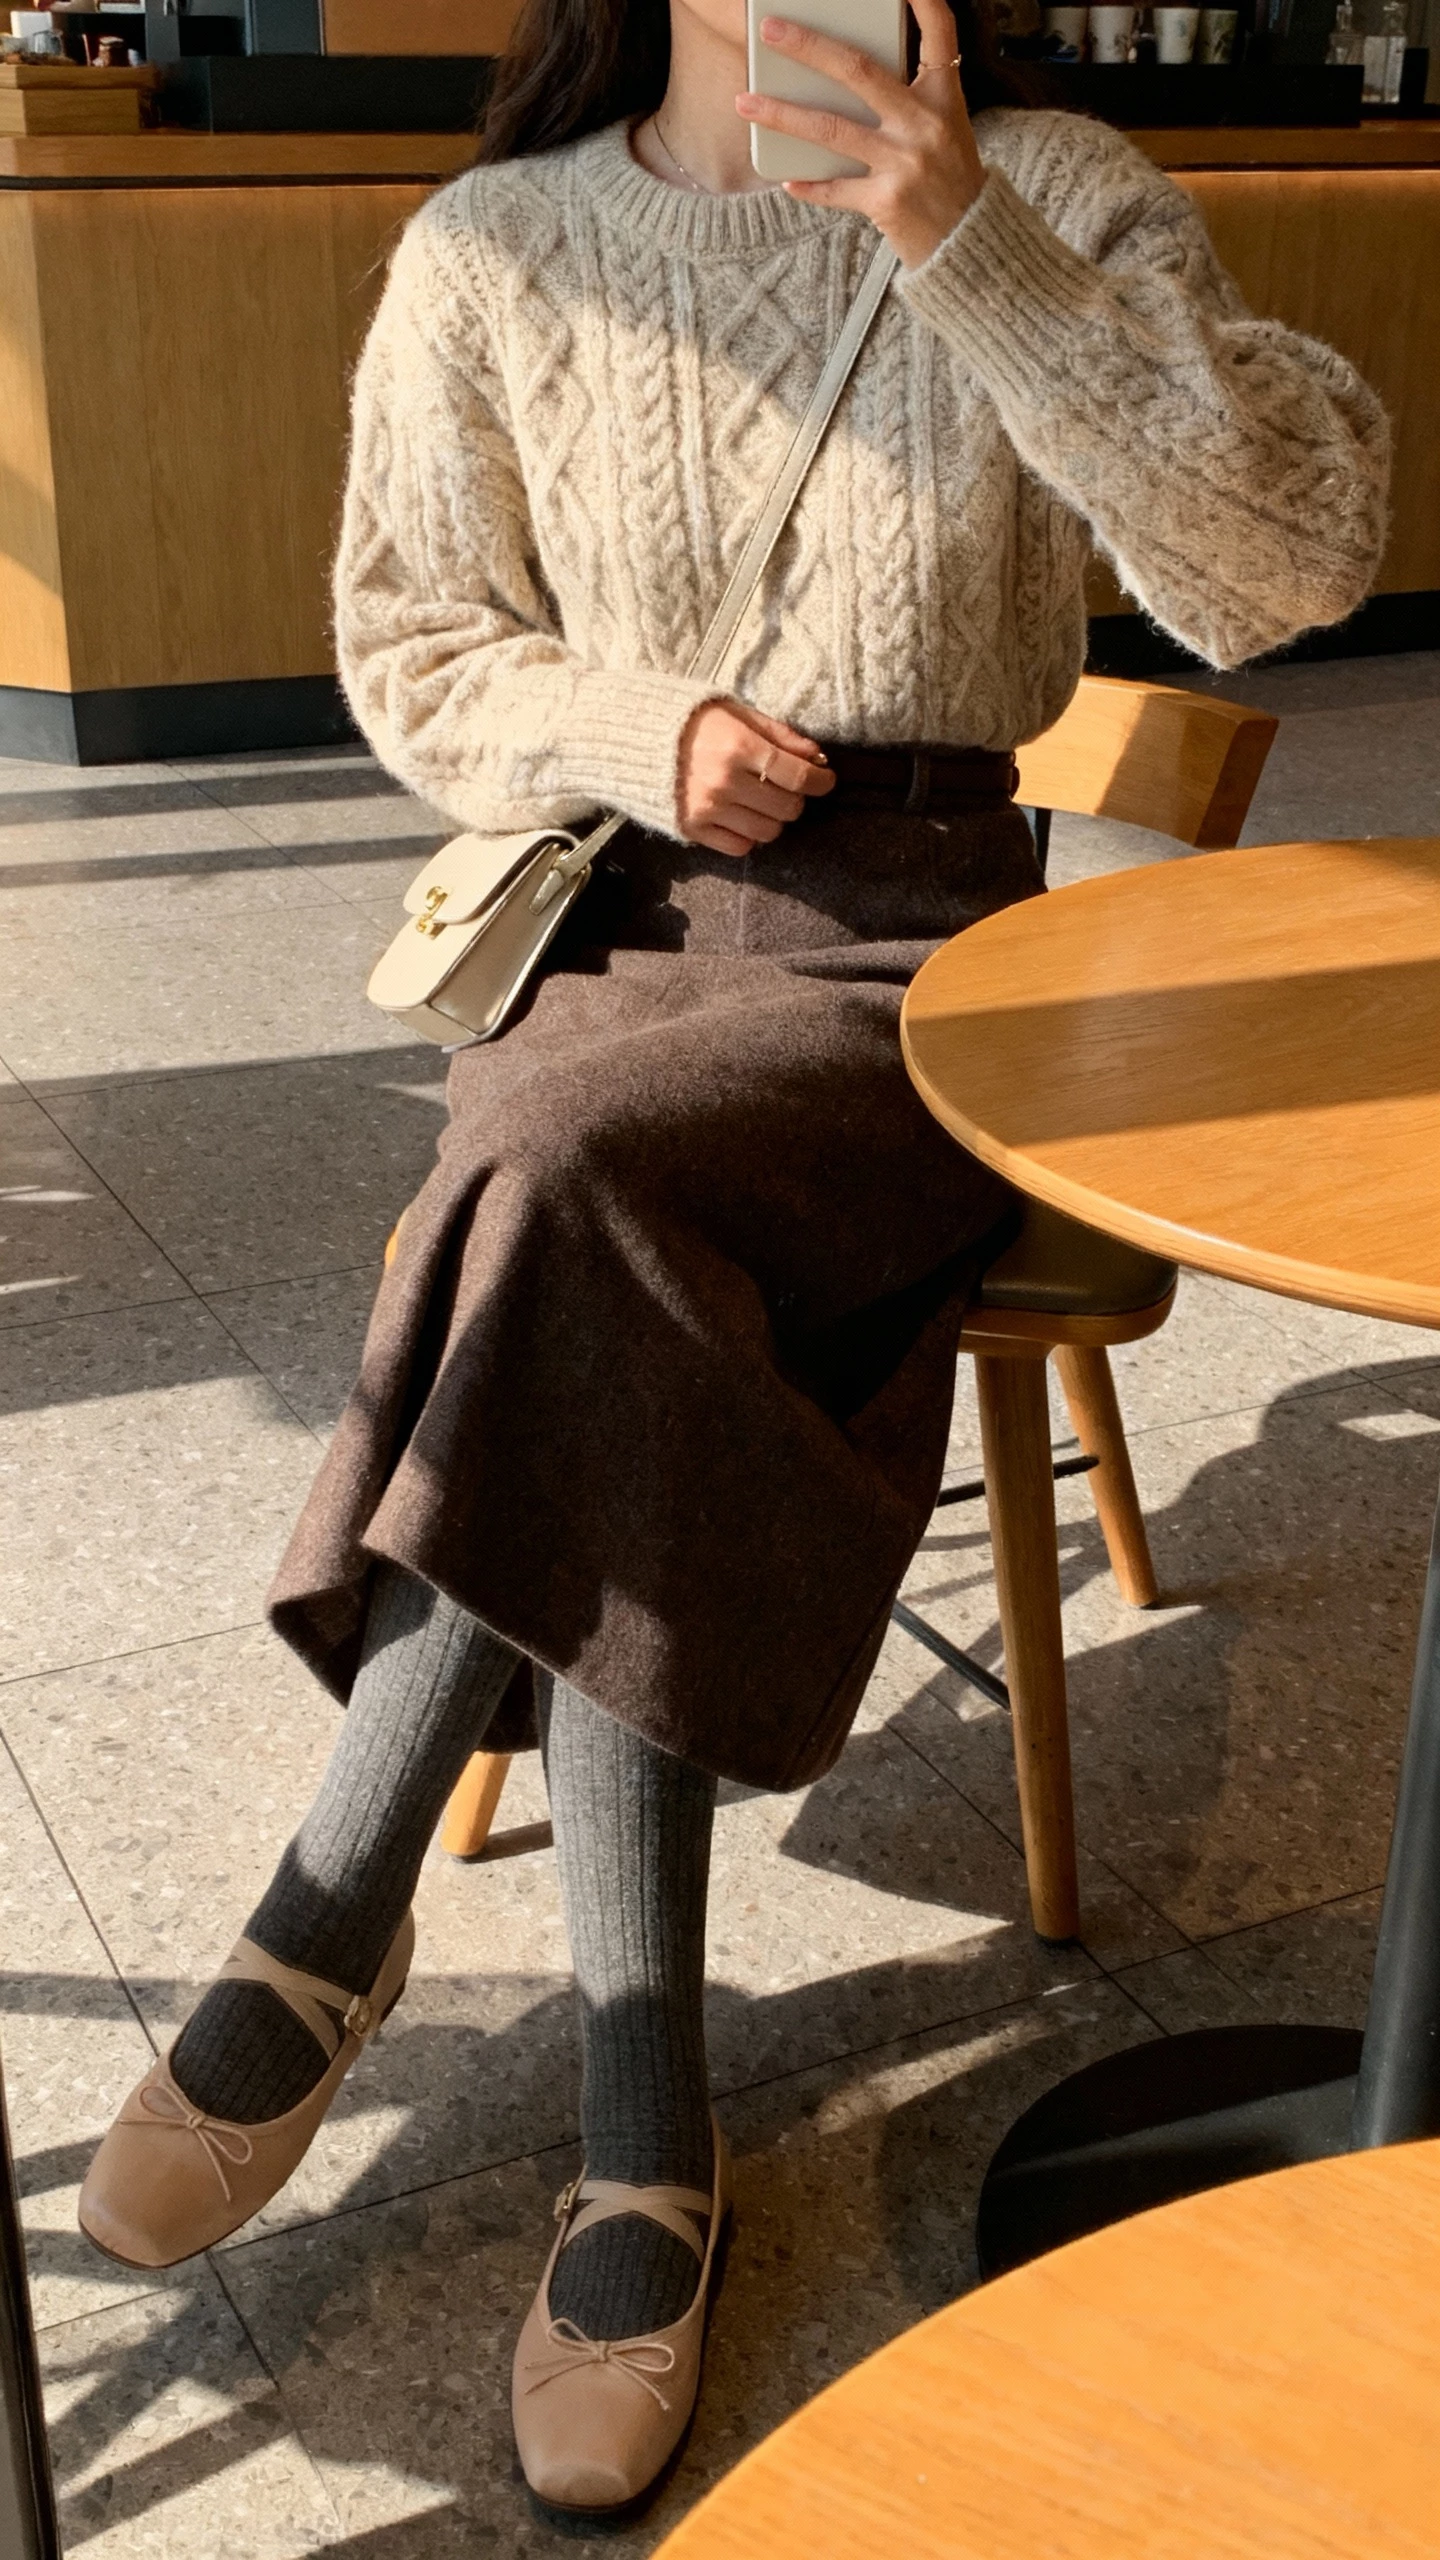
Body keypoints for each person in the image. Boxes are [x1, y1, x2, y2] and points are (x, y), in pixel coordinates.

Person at [78, 0, 1388, 2524]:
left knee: (562, 1185)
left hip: (923, 965)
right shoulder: (503, 242)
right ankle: (637, 2121)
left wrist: (959, 237)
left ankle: (331, 1912)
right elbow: (411, 640)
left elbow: (1279, 568)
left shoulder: (1062, 186)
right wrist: (627, 722)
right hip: (611, 923)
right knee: (588, 1194)